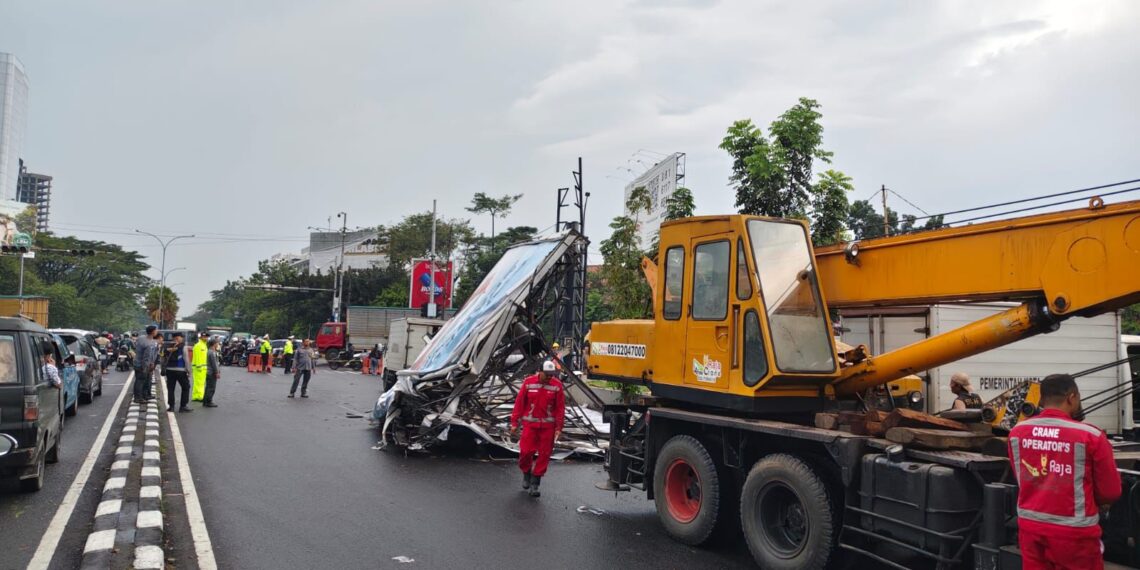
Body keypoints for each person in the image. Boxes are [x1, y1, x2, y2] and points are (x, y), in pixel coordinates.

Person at [1008, 374, 1122, 570]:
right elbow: (1110, 492)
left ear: (1042, 400)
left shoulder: (1017, 432)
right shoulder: (1091, 436)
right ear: (1072, 397)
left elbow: (1023, 476)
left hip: (1030, 528)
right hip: (1074, 535)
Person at [510, 360, 566, 497]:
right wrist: (514, 423)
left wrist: (559, 427)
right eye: (546, 374)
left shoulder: (557, 385)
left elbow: (560, 408)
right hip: (530, 426)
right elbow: (519, 403)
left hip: (548, 427)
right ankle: (526, 473)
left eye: (551, 375)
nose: (549, 377)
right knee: (525, 452)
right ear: (540, 372)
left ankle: (535, 483)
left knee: (544, 455)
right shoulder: (529, 382)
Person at [163, 333, 192, 413]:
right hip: (180, 370)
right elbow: (186, 359)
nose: (182, 339)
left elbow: (163, 357)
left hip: (169, 370)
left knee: (171, 388)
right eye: (181, 337)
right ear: (178, 338)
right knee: (186, 387)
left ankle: (171, 407)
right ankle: (183, 406)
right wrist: (189, 371)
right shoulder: (183, 346)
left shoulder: (167, 346)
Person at [133, 326, 159, 404]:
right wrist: (146, 366)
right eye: (156, 331)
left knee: (140, 380)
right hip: (143, 364)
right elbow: (147, 357)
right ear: (153, 332)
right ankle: (138, 398)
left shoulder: (141, 338)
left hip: (137, 362)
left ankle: (144, 395)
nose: (157, 332)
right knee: (140, 381)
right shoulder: (149, 343)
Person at [203, 338, 220, 408]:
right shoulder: (212, 352)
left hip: (209, 371)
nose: (218, 344)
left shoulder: (210, 351)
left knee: (208, 387)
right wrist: (217, 372)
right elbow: (214, 364)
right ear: (214, 344)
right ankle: (209, 401)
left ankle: (205, 401)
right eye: (217, 343)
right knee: (211, 387)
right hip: (211, 372)